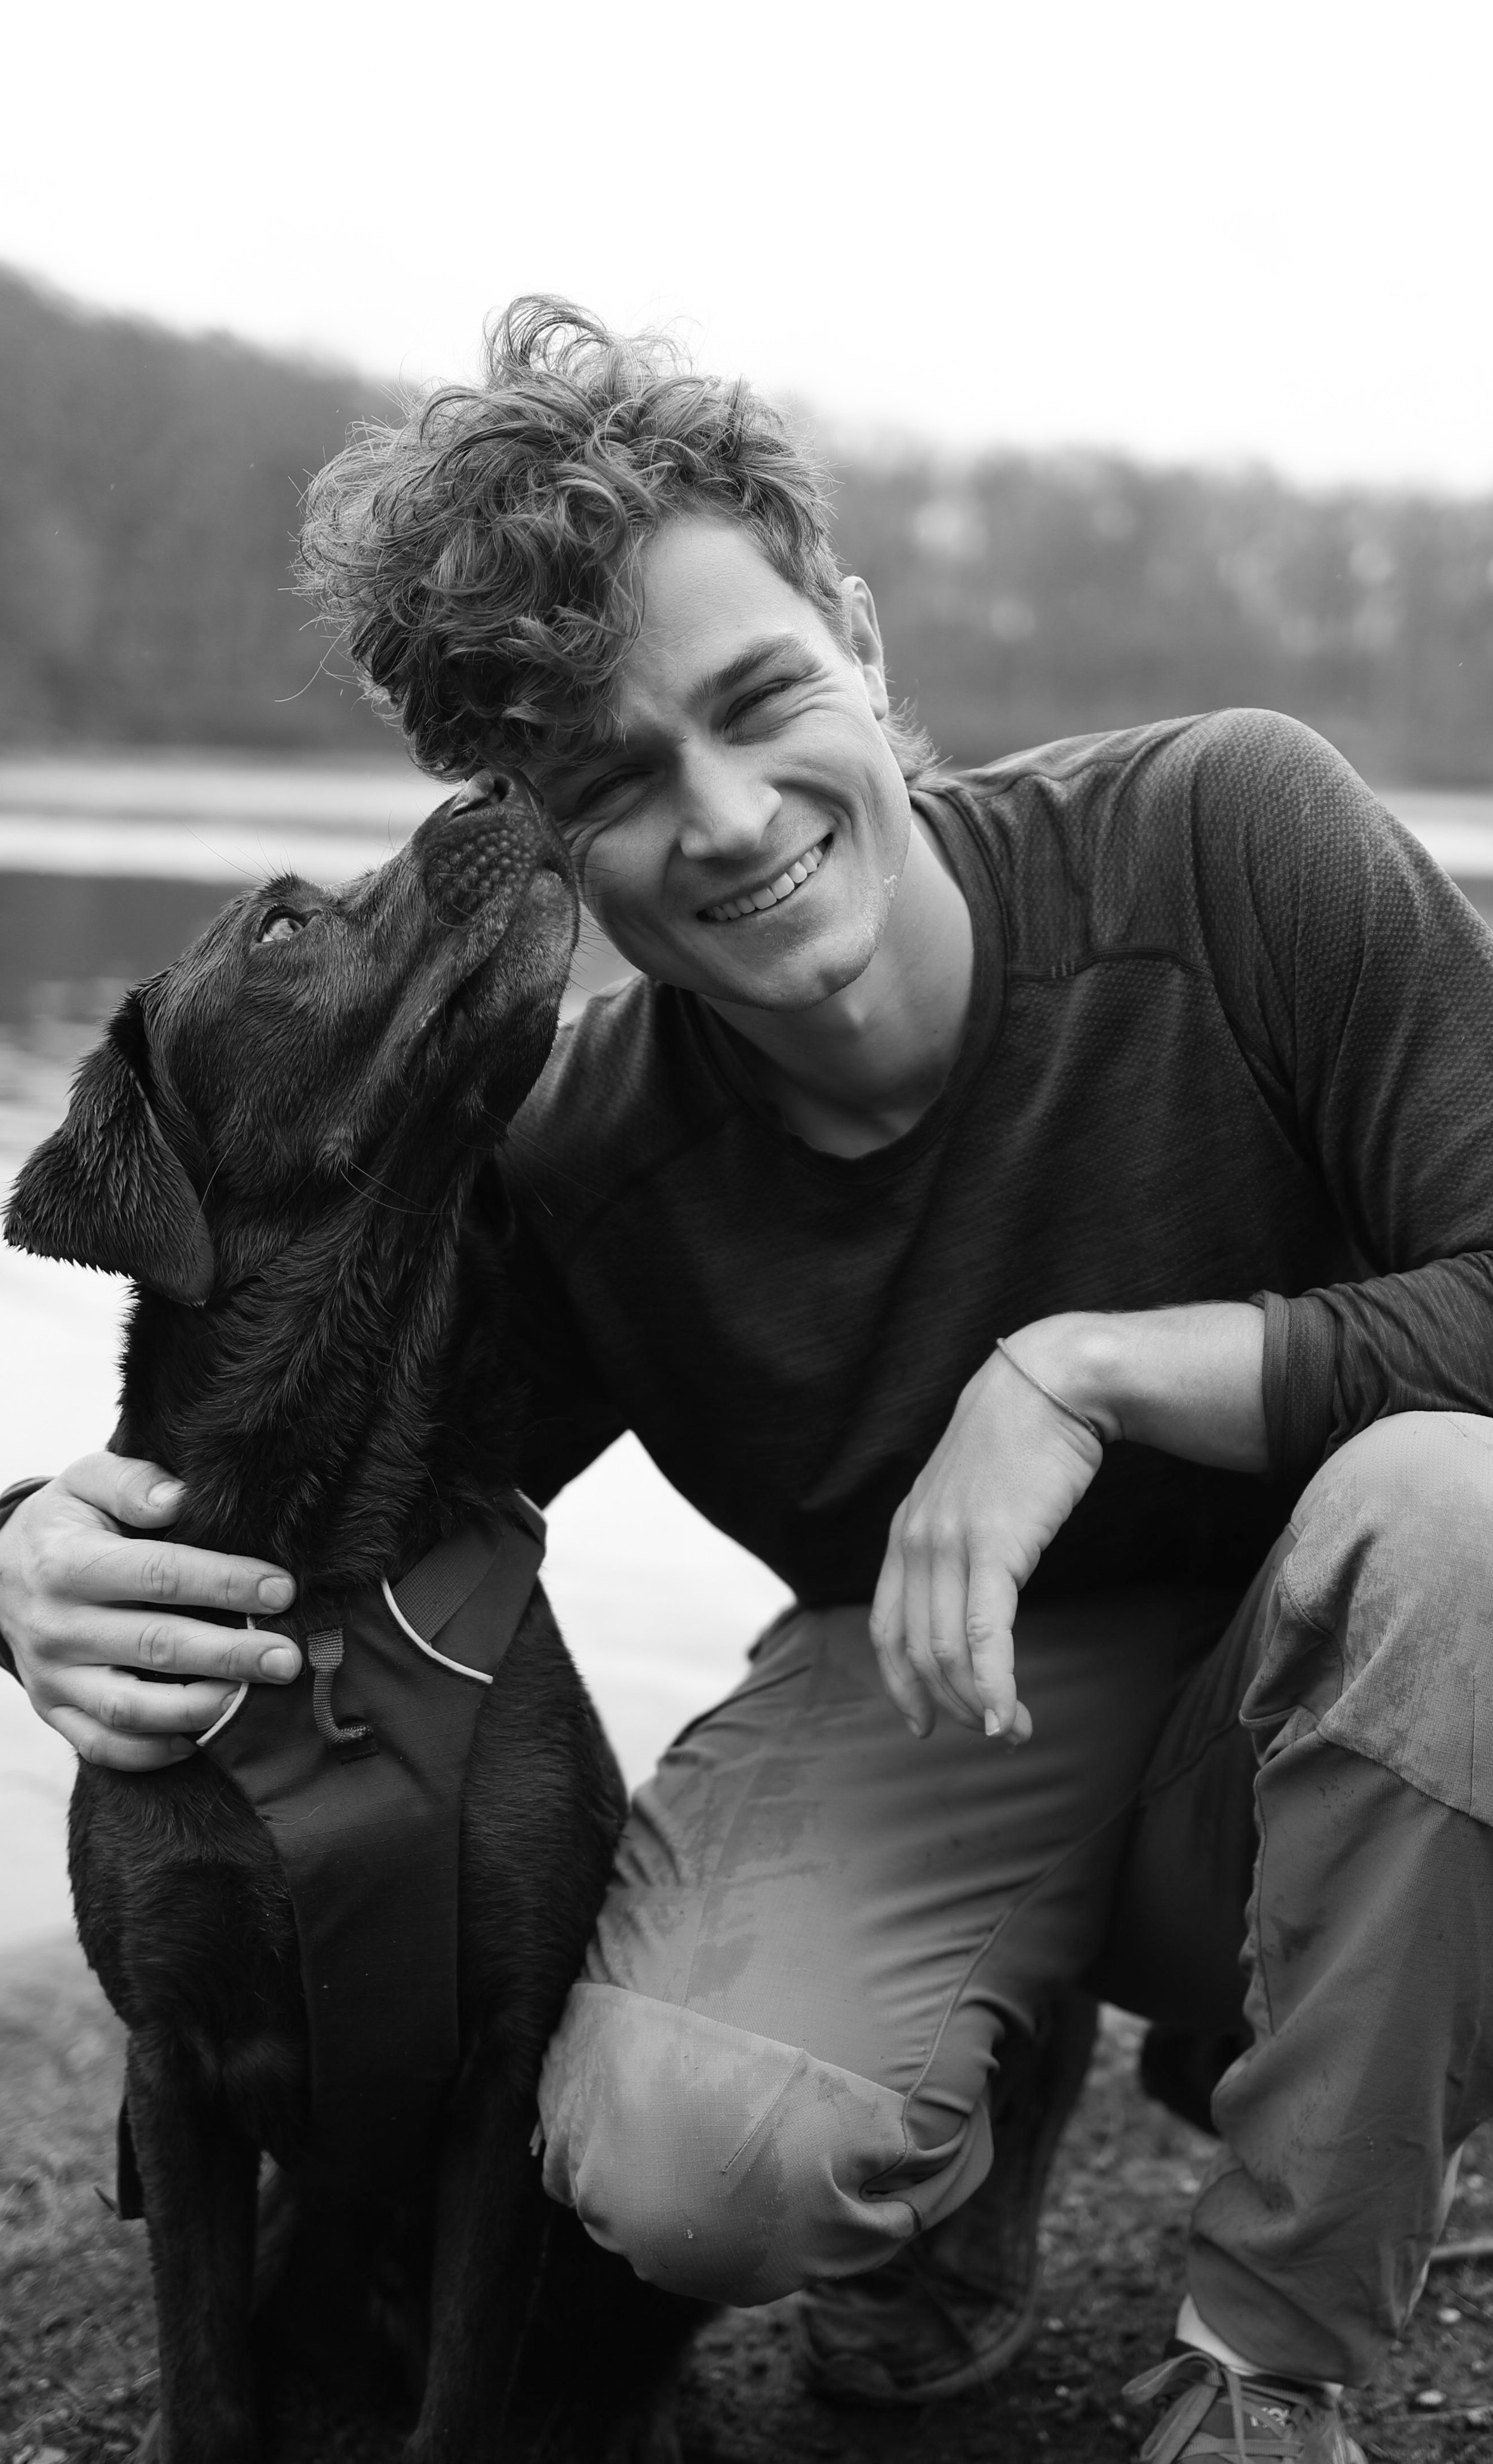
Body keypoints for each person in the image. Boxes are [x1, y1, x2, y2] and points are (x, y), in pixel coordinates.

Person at [5, 300, 1493, 2464]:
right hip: (946, 1701)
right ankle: (973, 2113)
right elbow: (337, 1486)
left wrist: (1079, 1374)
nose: (721, 819)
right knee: (683, 2155)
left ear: (859, 642)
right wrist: (33, 1557)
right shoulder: (573, 1154)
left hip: (1364, 1694)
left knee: (1460, 1514)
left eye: (758, 698)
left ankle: (1266, 2357)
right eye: (613, 779)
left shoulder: (1230, 840)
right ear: (539, 836)